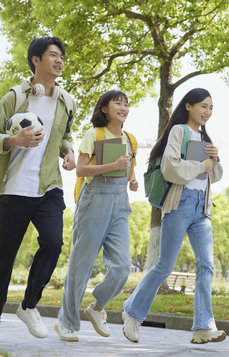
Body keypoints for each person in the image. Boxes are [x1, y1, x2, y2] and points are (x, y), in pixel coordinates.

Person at [0, 36, 76, 345]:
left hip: (49, 186)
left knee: (54, 242)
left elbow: (64, 135)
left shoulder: (66, 101)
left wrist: (69, 151)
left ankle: (29, 304)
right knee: (3, 257)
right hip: (14, 188)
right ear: (36, 60)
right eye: (52, 55)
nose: (58, 61)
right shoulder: (15, 97)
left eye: (61, 56)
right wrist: (14, 141)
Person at [121, 88, 226, 344]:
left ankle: (203, 327)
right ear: (188, 106)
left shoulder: (204, 136)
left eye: (210, 108)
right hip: (180, 204)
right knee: (165, 265)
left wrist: (215, 160)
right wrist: (202, 165)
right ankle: (132, 313)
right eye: (203, 106)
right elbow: (169, 168)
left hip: (202, 208)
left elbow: (216, 175)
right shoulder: (179, 131)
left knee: (206, 265)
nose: (207, 112)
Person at [54, 90, 138, 341]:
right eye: (117, 103)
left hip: (120, 203)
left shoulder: (130, 139)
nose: (123, 107)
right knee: (81, 265)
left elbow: (129, 171)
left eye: (126, 104)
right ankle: (66, 321)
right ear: (104, 109)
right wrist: (111, 166)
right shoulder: (95, 134)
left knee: (123, 266)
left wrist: (132, 181)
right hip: (94, 201)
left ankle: (96, 307)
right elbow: (80, 169)